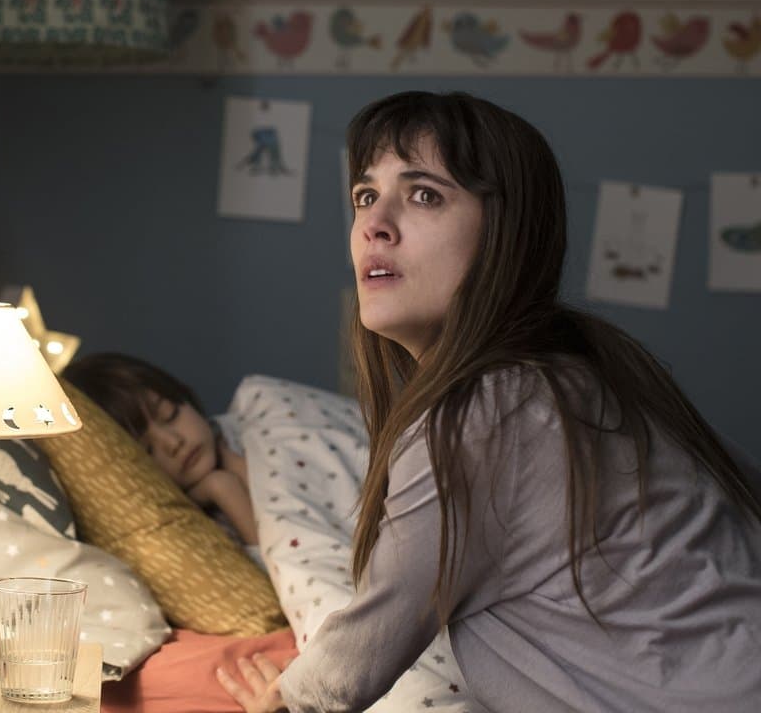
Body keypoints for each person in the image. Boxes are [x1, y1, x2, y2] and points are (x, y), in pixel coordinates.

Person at [215, 91, 761, 712]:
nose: (373, 224)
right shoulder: (590, 369)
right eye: (365, 196)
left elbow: (362, 650)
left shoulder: (478, 414)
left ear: (505, 234)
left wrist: (281, 701)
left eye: (424, 195)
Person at [61, 352, 258, 546]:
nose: (174, 443)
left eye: (169, 414)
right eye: (148, 450)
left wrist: (234, 463)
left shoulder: (255, 415)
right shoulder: (188, 531)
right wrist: (224, 489)